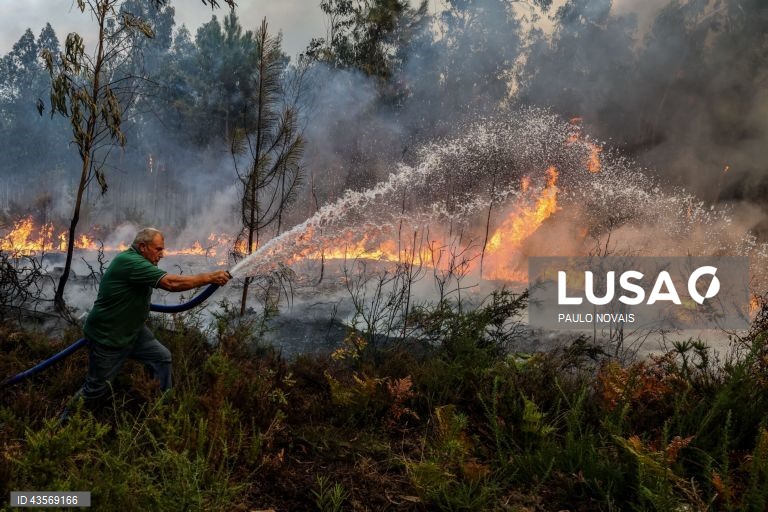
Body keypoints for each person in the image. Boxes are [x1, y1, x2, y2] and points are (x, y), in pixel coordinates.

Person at [72, 227, 231, 409]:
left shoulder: (138, 262)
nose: (162, 254)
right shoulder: (130, 262)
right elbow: (170, 283)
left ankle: (161, 408)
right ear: (142, 247)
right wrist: (209, 277)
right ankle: (63, 426)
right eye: (158, 249)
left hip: (132, 331)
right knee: (94, 390)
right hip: (109, 336)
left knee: (162, 358)